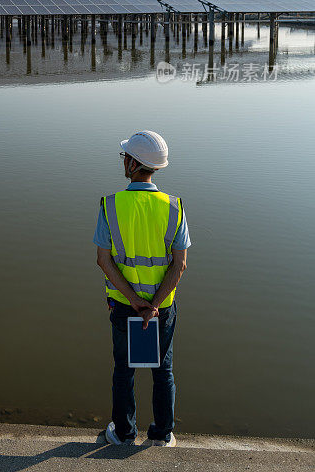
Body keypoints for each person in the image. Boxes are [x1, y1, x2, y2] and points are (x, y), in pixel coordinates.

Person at [94, 130, 190, 447]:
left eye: (125, 157)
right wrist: (153, 305)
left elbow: (104, 261)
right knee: (163, 370)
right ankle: (162, 435)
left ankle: (123, 433)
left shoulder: (111, 205)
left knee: (124, 370)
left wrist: (135, 301)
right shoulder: (175, 207)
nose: (124, 161)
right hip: (161, 308)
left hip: (124, 306)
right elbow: (179, 264)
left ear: (134, 164)